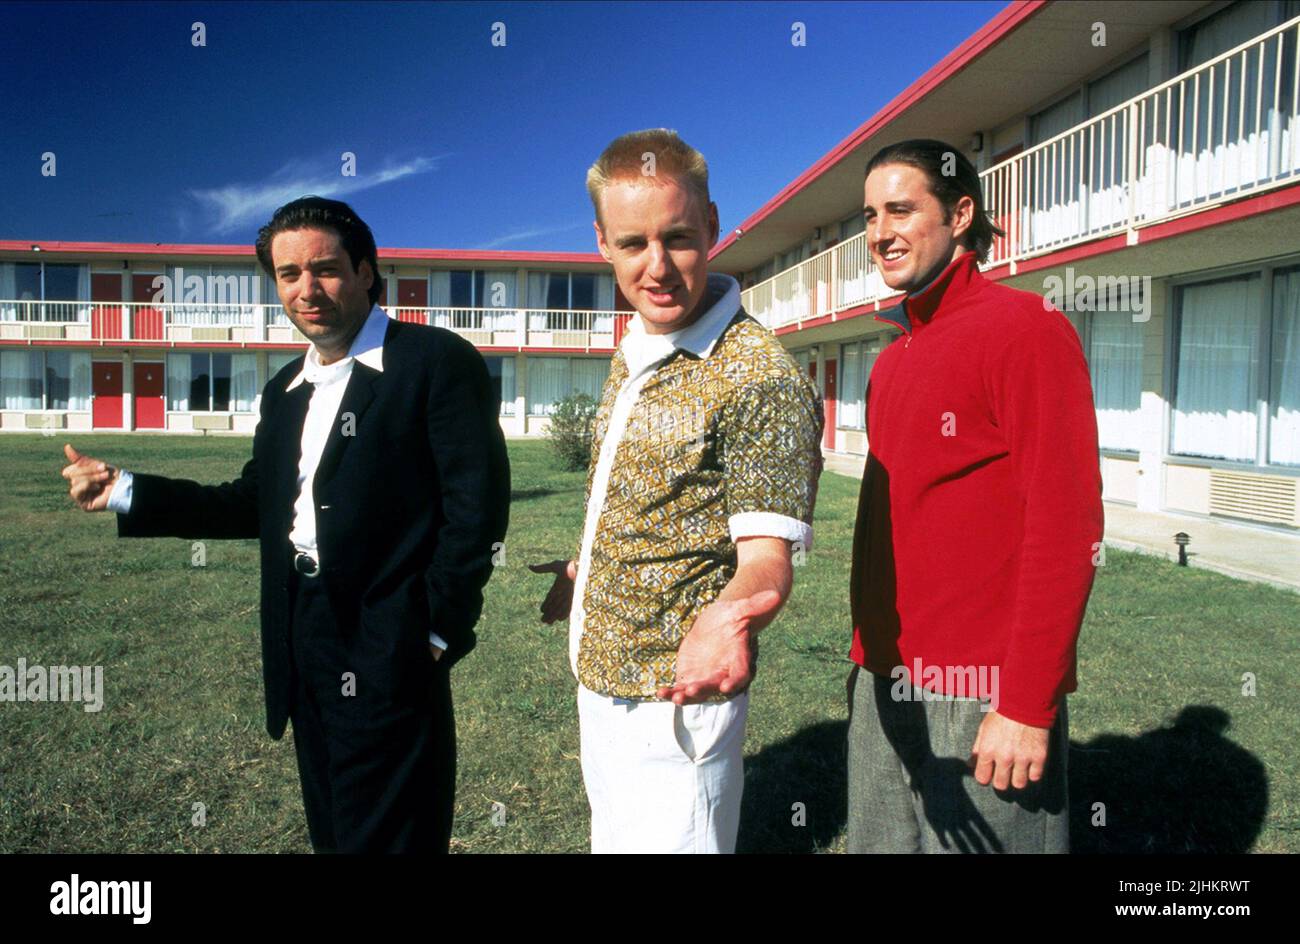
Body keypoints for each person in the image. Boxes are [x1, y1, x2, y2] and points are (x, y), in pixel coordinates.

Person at [61, 196, 510, 853]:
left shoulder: (434, 364)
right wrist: (128, 490)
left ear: (365, 271)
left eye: (325, 269)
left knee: (392, 835)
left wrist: (436, 629)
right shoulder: (285, 390)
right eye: (289, 274)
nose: (308, 289)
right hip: (303, 631)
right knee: (333, 828)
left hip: (389, 632)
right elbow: (254, 502)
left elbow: (475, 508)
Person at [530, 129, 823, 854]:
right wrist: (588, 572)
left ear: (715, 227)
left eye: (680, 238)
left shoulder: (757, 375)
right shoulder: (639, 346)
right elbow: (654, 501)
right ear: (602, 242)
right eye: (633, 244)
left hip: (673, 702)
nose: (657, 267)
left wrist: (730, 620)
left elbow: (766, 558)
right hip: (601, 676)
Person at [846, 139, 1103, 853]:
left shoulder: (1027, 330)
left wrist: (1024, 703)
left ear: (961, 213)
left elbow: (1066, 525)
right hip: (881, 675)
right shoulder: (895, 355)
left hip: (980, 687)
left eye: (901, 209)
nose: (879, 233)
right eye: (870, 215)